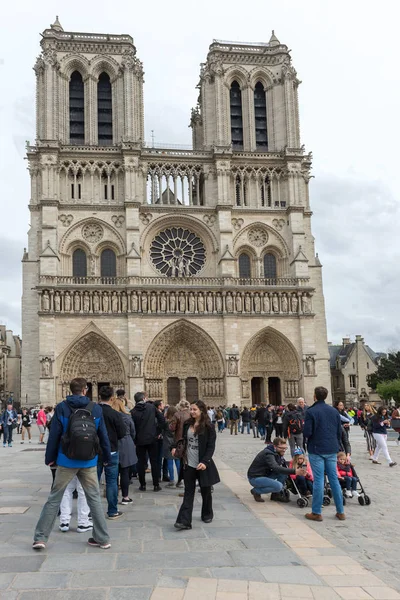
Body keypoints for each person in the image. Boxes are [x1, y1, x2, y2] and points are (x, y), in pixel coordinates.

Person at [32, 377, 112, 551]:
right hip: (89, 460)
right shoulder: (96, 409)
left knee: (54, 498)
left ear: (70, 390)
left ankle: (40, 538)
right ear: (85, 390)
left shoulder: (61, 407)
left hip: (66, 459)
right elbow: (103, 436)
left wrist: (50, 458)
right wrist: (106, 458)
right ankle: (103, 538)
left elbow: (54, 436)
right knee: (94, 499)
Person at [174, 400, 220, 530]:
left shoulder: (209, 427)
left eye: (194, 410)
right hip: (189, 463)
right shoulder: (188, 423)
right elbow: (182, 439)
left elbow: (211, 447)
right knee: (188, 491)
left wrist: (205, 461)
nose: (192, 412)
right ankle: (184, 521)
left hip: (202, 463)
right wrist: (175, 446)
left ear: (201, 411)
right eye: (191, 409)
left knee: (206, 491)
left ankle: (207, 513)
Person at [303, 386, 345, 522]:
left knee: (319, 480)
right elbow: (339, 432)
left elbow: (307, 432)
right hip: (332, 449)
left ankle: (316, 512)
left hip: (316, 449)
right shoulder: (334, 411)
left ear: (315, 396)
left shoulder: (311, 411)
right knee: (334, 479)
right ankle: (340, 511)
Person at [97, 386, 126, 518]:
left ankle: (91, 513)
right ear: (112, 398)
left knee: (92, 482)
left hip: (95, 452)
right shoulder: (115, 414)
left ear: (99, 397)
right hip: (112, 451)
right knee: (112, 482)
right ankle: (112, 511)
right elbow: (122, 433)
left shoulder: (93, 412)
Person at [247, 437, 306, 503]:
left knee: (283, 473)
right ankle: (256, 491)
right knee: (278, 486)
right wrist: (295, 471)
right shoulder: (269, 454)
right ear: (274, 446)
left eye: (285, 448)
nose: (284, 450)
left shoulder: (277, 453)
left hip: (265, 475)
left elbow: (281, 467)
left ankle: (276, 495)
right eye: (281, 448)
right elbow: (275, 467)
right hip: (255, 478)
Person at [131, 391, 165, 491]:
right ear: (143, 399)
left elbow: (132, 428)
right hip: (152, 439)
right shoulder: (151, 408)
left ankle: (142, 485)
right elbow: (162, 420)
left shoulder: (133, 411)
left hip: (139, 440)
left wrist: (135, 438)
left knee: (141, 463)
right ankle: (156, 485)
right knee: (154, 462)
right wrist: (157, 431)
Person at [111, 397, 137, 505]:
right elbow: (133, 431)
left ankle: (113, 496)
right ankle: (125, 497)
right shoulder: (127, 416)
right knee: (125, 472)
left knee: (113, 473)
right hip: (126, 443)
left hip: (113, 444)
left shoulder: (110, 416)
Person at [163, 406, 181, 487]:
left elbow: (163, 432)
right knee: (178, 462)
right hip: (176, 443)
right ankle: (180, 480)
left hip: (167, 443)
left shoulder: (166, 422)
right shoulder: (178, 421)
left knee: (170, 462)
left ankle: (172, 480)